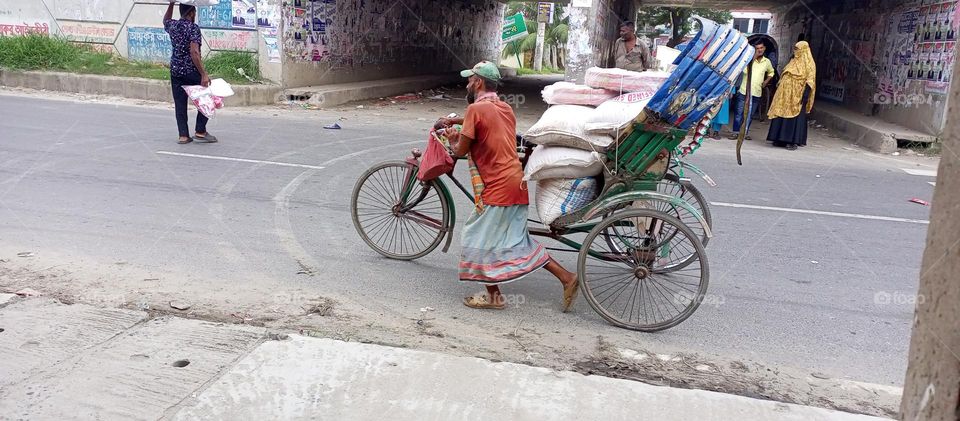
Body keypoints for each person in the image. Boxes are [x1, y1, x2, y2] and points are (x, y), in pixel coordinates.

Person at [437, 61, 579, 311]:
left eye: (470, 80)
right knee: (516, 241)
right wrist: (458, 120)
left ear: (478, 82)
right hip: (516, 183)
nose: (467, 84)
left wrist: (453, 138)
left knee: (476, 237)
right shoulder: (504, 107)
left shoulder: (476, 110)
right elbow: (485, 120)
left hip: (498, 187)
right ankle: (567, 277)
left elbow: (460, 150)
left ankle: (494, 297)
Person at [163, 2, 216, 144]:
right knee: (206, 97)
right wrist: (203, 74)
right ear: (191, 13)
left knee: (180, 103)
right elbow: (194, 52)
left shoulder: (173, 26)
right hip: (190, 71)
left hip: (175, 71)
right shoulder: (193, 28)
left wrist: (171, 4)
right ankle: (200, 131)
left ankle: (183, 135)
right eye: (195, 13)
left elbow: (165, 21)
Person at [767, 41, 817, 150]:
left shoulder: (809, 63)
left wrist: (806, 94)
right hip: (784, 95)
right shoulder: (793, 61)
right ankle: (779, 139)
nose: (796, 51)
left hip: (797, 95)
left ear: (803, 50)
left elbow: (810, 80)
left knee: (794, 117)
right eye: (795, 48)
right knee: (780, 114)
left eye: (797, 48)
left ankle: (792, 141)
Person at [728, 41, 775, 141]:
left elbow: (771, 72)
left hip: (756, 92)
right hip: (744, 91)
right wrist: (753, 58)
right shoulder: (748, 60)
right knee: (739, 113)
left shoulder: (766, 62)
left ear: (764, 48)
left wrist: (766, 81)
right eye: (757, 48)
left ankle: (745, 133)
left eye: (761, 48)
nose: (760, 50)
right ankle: (736, 132)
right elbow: (744, 72)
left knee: (749, 115)